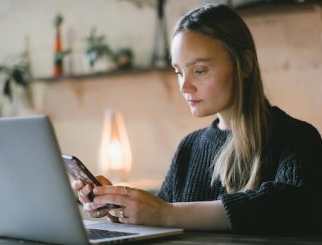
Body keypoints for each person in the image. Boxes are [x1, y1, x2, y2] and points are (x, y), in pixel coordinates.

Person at [73, 4, 322, 235]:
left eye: (199, 71)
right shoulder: (189, 147)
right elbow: (162, 218)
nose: (184, 86)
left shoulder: (297, 138)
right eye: (179, 72)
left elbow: (291, 205)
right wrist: (118, 208)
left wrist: (166, 214)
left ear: (245, 64)